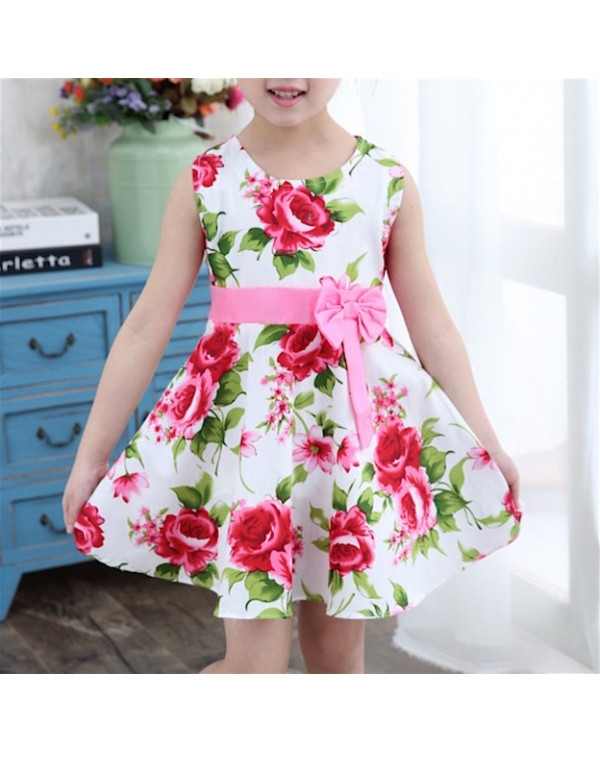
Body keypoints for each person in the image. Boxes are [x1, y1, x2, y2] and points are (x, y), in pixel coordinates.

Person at [62, 78, 521, 675]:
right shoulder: (207, 179)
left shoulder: (385, 180)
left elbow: (434, 330)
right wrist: (91, 455)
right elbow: (146, 326)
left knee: (337, 661)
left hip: (346, 452)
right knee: (254, 670)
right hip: (253, 447)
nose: (287, 73)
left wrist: (488, 443)